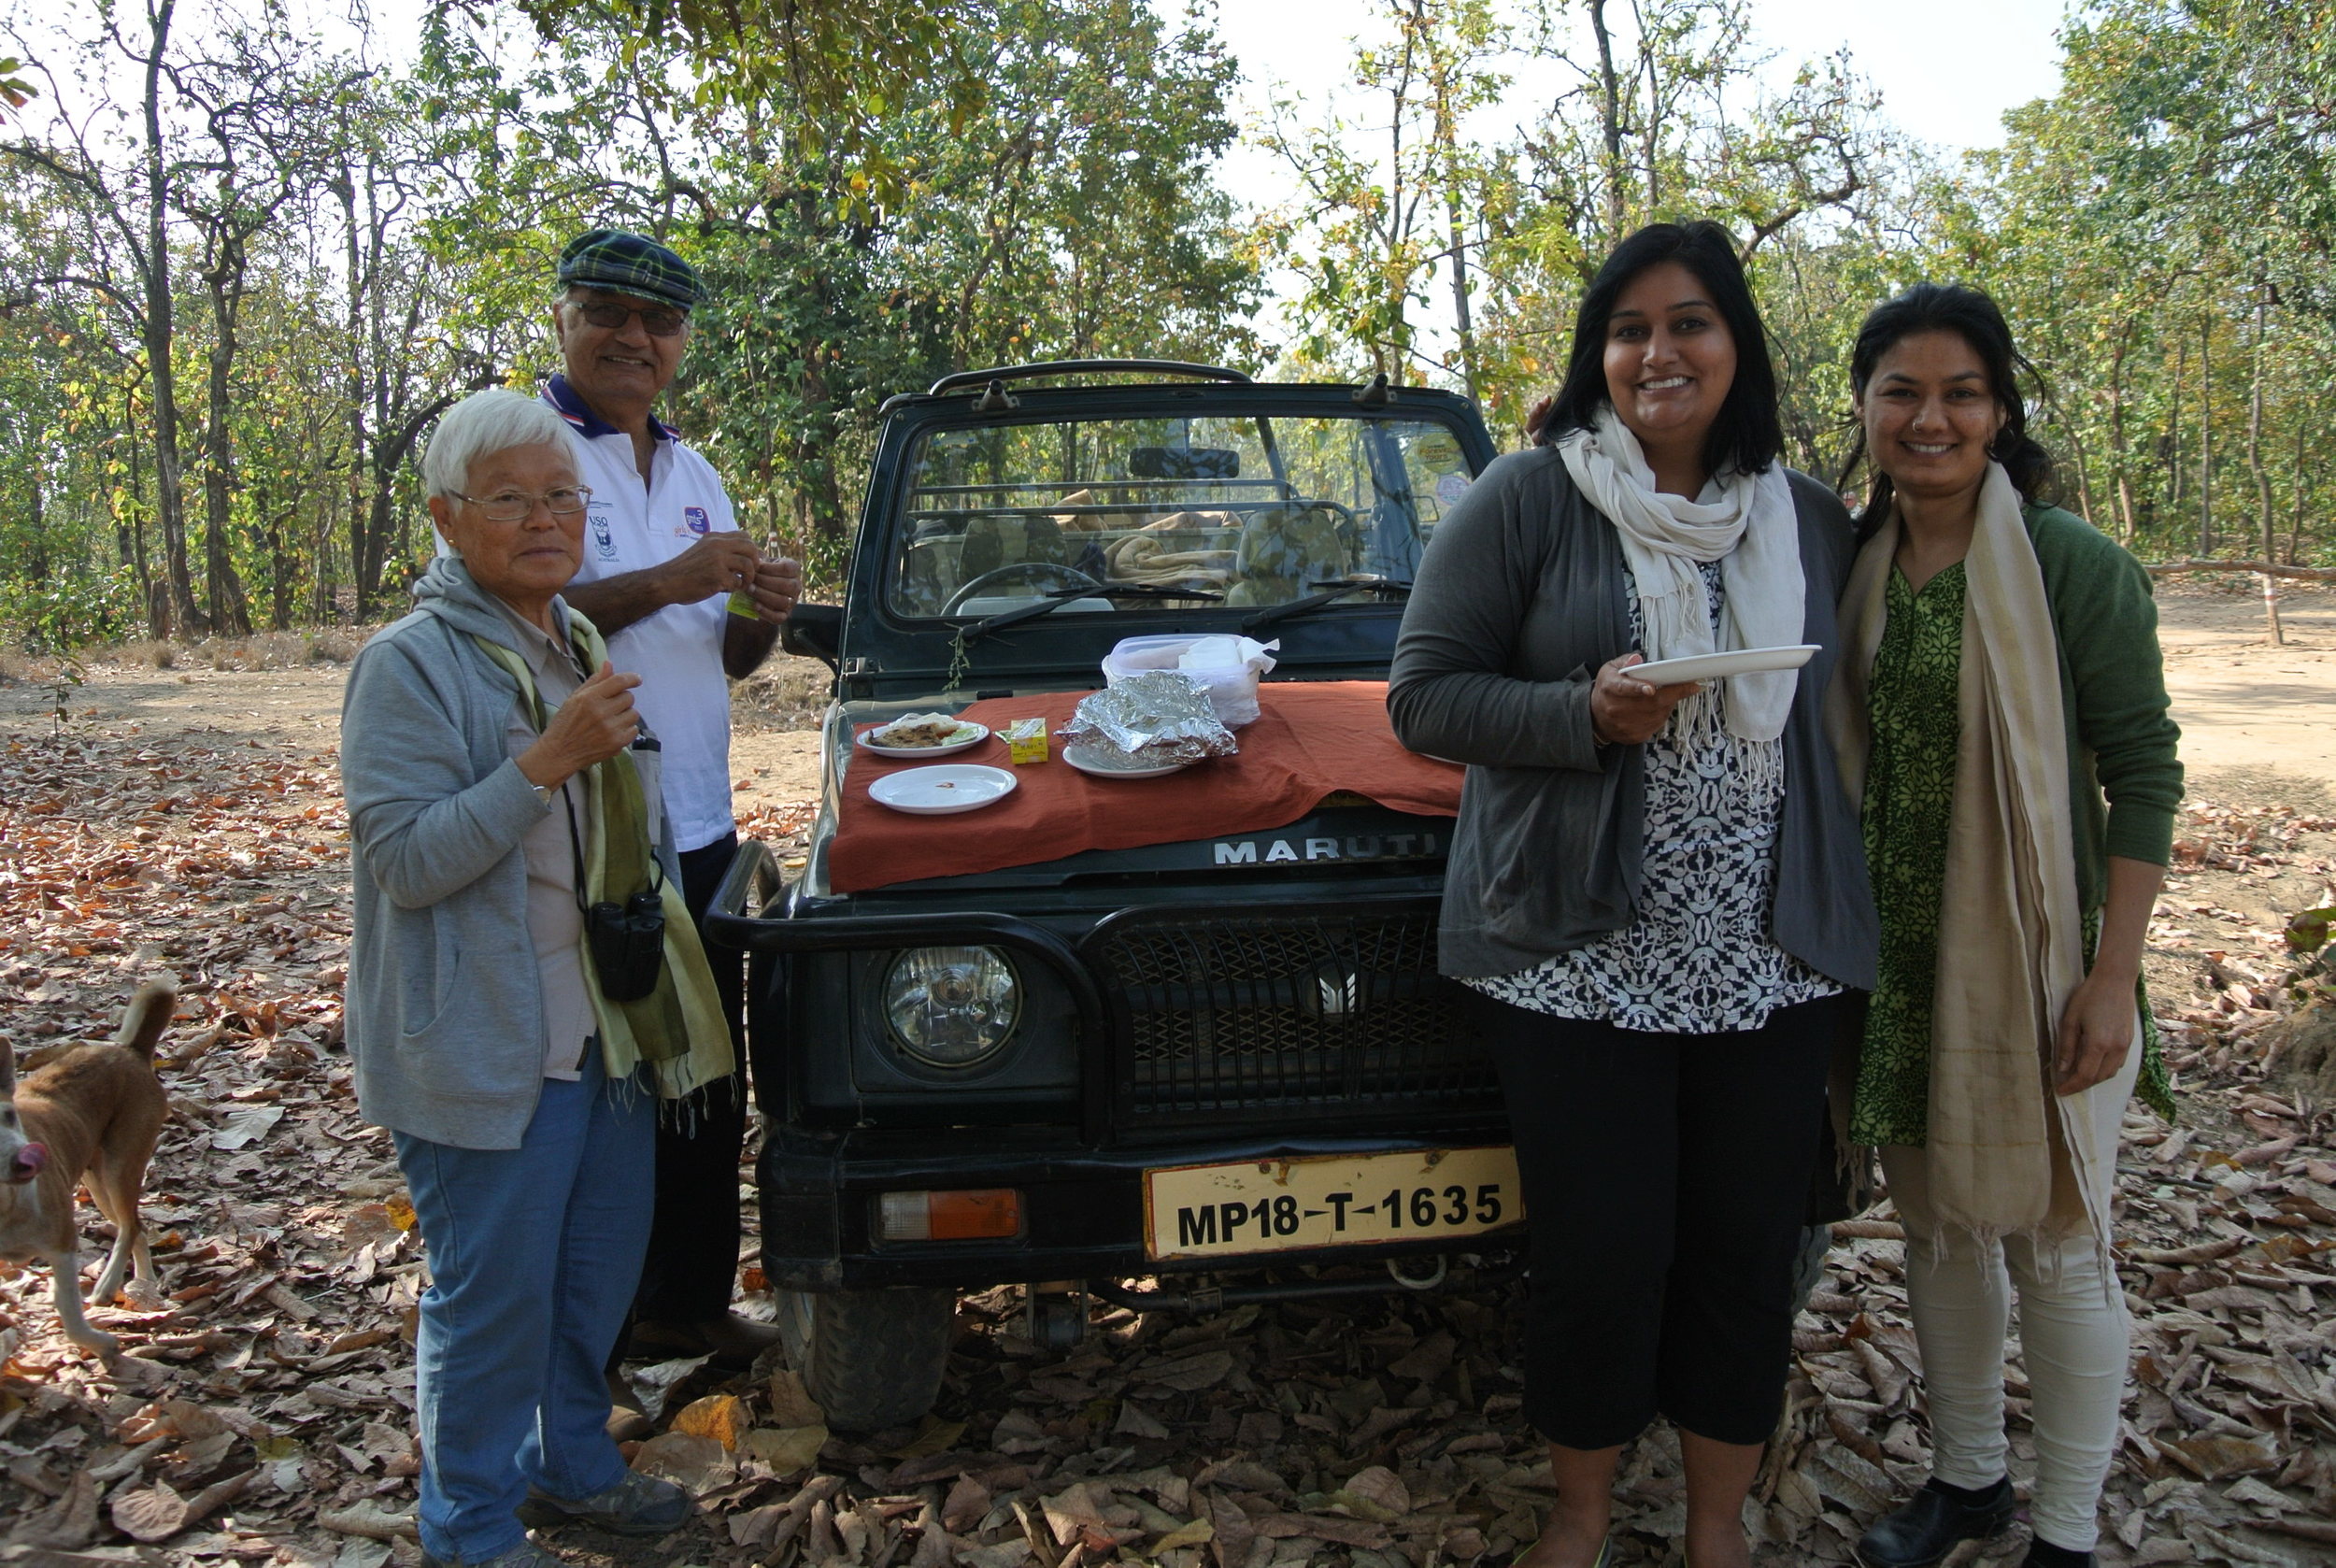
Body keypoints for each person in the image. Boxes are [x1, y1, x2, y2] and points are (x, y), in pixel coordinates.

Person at [1389, 221, 1877, 1568]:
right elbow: (1422, 695)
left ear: (1738, 347)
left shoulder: (1807, 518)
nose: (1659, 350)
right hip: (1573, 955)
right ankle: (1583, 1517)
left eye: (1691, 323)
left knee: (1742, 1256)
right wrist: (1580, 711)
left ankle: (1717, 1528)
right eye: (1630, 329)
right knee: (1602, 1257)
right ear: (1599, 357)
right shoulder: (1532, 495)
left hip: (1769, 960)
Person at [341, 390, 736, 1567]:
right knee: (491, 1297)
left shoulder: (575, 636)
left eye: (562, 494)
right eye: (511, 498)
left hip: (608, 1026)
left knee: (592, 1279)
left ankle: (570, 1464)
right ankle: (465, 1526)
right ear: (447, 518)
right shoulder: (407, 666)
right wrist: (546, 759)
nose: (546, 518)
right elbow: (406, 861)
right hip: (487, 1037)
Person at [1830, 285, 2180, 1568]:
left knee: (2060, 1244)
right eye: (1901, 392)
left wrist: (2111, 974)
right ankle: (1968, 1478)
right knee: (1938, 1232)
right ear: (1864, 409)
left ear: (2001, 411)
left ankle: (2070, 1534)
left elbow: (2145, 767)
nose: (1931, 418)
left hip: (2046, 968)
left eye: (1961, 392)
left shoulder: (2072, 568)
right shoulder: (1851, 566)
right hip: (1906, 966)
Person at [539, 229, 803, 1381]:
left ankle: (687, 1305)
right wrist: (670, 580)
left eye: (658, 323)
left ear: (682, 343)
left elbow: (729, 660)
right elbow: (513, 613)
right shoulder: (527, 447)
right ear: (564, 318)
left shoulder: (693, 474)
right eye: (608, 311)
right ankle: (585, 1335)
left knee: (705, 1075)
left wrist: (764, 609)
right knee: (601, 1086)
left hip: (694, 821)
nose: (634, 339)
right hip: (579, 834)